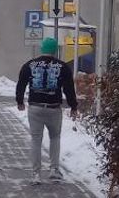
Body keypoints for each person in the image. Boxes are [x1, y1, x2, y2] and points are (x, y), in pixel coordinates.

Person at [16, 36, 78, 184]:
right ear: (55, 50)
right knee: (55, 138)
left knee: (36, 140)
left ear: (42, 48)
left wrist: (19, 101)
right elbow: (69, 89)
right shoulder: (63, 67)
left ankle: (36, 174)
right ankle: (54, 170)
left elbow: (21, 84)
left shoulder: (29, 65)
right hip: (53, 108)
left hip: (35, 107)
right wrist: (73, 106)